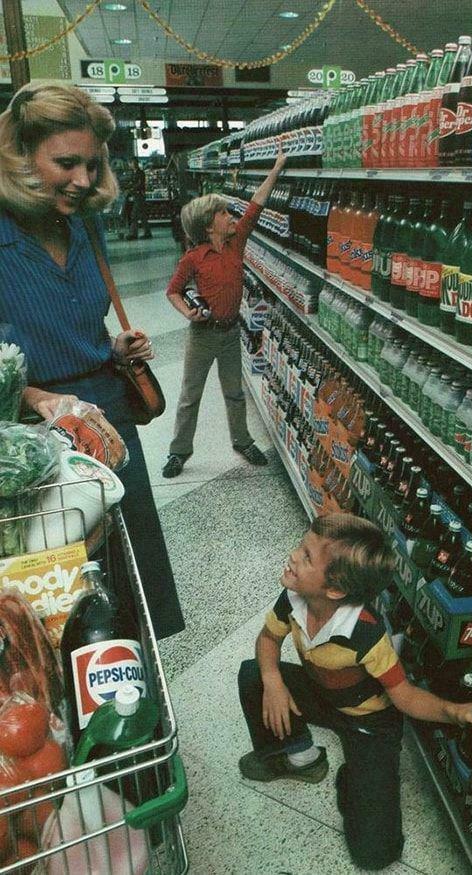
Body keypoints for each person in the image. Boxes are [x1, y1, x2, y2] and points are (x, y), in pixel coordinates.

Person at [0, 82, 184, 640]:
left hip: (104, 414)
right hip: (28, 433)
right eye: (65, 163)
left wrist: (110, 348)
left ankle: (128, 670)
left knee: (127, 561)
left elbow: (76, 311)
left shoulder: (86, 222)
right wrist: (37, 397)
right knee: (50, 578)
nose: (82, 180)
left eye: (92, 163)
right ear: (18, 155)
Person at [237, 513, 472, 871]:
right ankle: (296, 757)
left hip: (370, 721)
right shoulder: (293, 596)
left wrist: (455, 712)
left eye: (306, 556)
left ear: (334, 590)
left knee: (376, 855)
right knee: (254, 674)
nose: (292, 555)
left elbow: (406, 697)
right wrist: (273, 680)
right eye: (301, 547)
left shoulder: (366, 635)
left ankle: (357, 779)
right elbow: (269, 639)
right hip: (323, 694)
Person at [161, 148, 286, 477]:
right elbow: (173, 291)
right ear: (209, 226)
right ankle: (179, 452)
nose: (232, 217)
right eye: (225, 214)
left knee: (234, 391)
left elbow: (257, 203)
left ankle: (242, 441)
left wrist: (278, 166)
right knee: (190, 394)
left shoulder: (237, 242)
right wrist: (189, 313)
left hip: (231, 332)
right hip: (203, 335)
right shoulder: (194, 257)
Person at [125, 156, 152, 241]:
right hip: (137, 196)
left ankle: (133, 234)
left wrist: (131, 189)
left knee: (134, 215)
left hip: (139, 196)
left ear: (136, 163)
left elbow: (140, 184)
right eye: (131, 163)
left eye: (132, 162)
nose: (131, 164)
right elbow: (132, 183)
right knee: (142, 215)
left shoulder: (140, 173)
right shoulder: (134, 173)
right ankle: (147, 233)